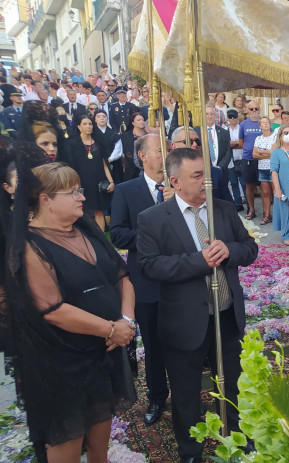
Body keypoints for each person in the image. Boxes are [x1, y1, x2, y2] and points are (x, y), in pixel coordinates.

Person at [6, 162, 136, 462]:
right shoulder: (29, 245)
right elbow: (52, 309)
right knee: (65, 448)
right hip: (61, 367)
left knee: (98, 452)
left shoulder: (86, 230)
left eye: (80, 190)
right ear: (45, 199)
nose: (83, 197)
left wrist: (126, 320)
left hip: (102, 354)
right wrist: (112, 329)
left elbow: (122, 277)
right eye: (73, 192)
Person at [137, 148, 258, 462]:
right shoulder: (152, 218)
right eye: (197, 176)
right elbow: (149, 266)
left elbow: (250, 248)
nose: (207, 182)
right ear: (175, 181)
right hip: (184, 321)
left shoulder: (224, 209)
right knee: (186, 391)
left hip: (227, 315)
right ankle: (190, 450)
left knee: (233, 383)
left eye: (206, 173)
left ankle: (237, 435)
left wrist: (230, 250)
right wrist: (198, 261)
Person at [110, 134, 171, 426]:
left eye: (167, 149)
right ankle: (158, 396)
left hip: (180, 277)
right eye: (160, 150)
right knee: (154, 343)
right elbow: (118, 234)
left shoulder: (178, 185)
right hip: (145, 281)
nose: (165, 155)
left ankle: (187, 395)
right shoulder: (126, 190)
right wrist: (153, 233)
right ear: (143, 156)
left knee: (184, 341)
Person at [67, 114, 114, 231]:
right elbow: (71, 166)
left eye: (90, 124)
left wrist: (111, 181)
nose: (88, 126)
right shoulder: (73, 144)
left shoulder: (99, 142)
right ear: (78, 127)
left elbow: (104, 164)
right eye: (85, 124)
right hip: (82, 182)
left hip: (98, 181)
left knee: (99, 211)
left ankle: (102, 240)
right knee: (83, 211)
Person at [239, 100, 262, 219]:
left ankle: (266, 212)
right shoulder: (243, 124)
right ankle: (251, 210)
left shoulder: (264, 122)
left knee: (264, 186)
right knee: (249, 185)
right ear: (247, 110)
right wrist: (249, 150)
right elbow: (240, 141)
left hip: (263, 159)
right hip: (248, 158)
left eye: (256, 108)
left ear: (259, 109)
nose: (254, 111)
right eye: (251, 109)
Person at [253, 116, 276, 225]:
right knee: (265, 192)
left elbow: (273, 153)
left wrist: (261, 152)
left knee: (275, 192)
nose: (266, 124)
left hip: (273, 168)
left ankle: (278, 215)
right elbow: (254, 154)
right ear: (260, 126)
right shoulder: (258, 139)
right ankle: (267, 215)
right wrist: (267, 153)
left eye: (267, 122)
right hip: (262, 168)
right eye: (263, 122)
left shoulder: (275, 137)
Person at [203, 105, 232, 177]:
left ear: (215, 116)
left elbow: (228, 151)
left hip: (221, 171)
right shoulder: (197, 132)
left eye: (211, 114)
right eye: (207, 114)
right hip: (203, 171)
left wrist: (220, 166)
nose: (209, 116)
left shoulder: (224, 132)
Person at [226, 109, 246, 211]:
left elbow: (242, 143)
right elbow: (226, 144)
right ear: (227, 118)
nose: (232, 119)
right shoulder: (225, 130)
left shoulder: (241, 128)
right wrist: (236, 143)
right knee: (233, 183)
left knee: (244, 183)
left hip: (241, 158)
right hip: (230, 161)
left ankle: (249, 204)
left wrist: (232, 144)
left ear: (238, 118)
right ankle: (238, 203)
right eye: (230, 117)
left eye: (234, 116)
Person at [119, 111, 146, 183]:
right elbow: (124, 153)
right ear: (133, 122)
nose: (142, 122)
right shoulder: (126, 136)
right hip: (130, 168)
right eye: (138, 120)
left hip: (145, 167)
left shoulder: (148, 134)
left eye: (143, 120)